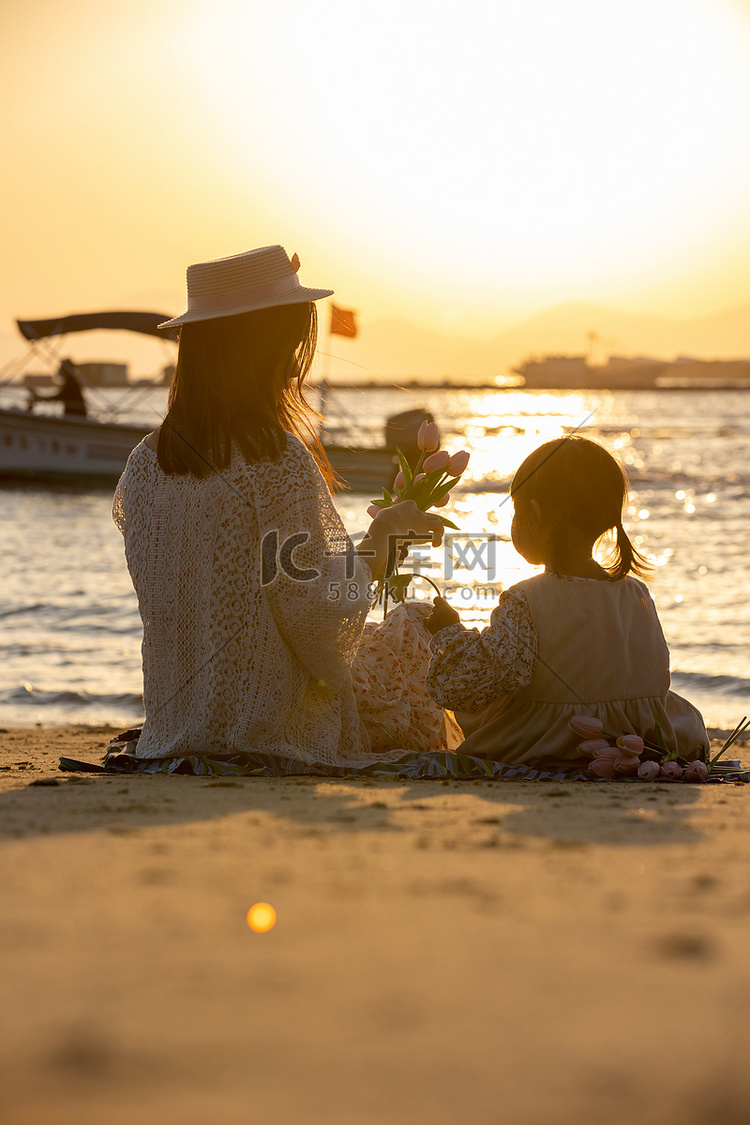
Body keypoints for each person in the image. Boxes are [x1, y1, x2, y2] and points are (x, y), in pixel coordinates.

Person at [112, 244, 451, 770]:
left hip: (176, 723)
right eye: (293, 346)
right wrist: (383, 537)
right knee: (418, 630)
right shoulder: (276, 459)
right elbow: (317, 621)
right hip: (272, 722)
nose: (297, 363)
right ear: (267, 351)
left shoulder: (143, 464)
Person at [425, 436, 709, 768]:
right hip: (637, 740)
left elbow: (478, 685)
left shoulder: (525, 599)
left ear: (535, 514)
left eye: (517, 512)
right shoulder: (637, 593)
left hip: (550, 740)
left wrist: (449, 634)